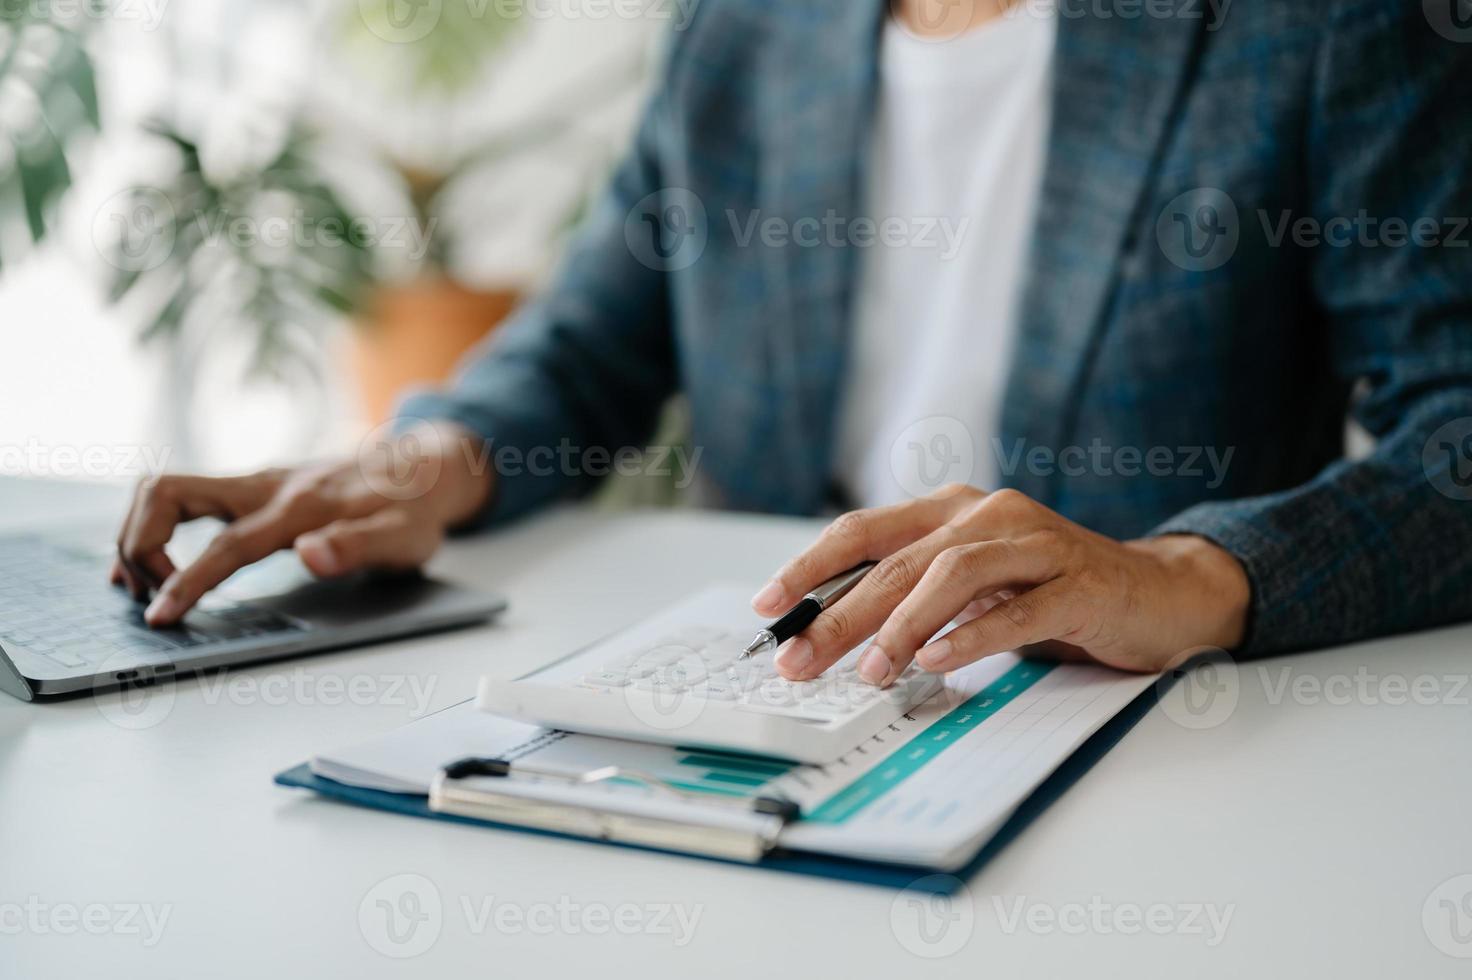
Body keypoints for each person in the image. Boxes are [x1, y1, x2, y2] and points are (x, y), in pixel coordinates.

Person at [113, 0, 1472, 689]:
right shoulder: (747, 26)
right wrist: (427, 460)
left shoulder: (1321, 25)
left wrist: (1195, 569)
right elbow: (590, 343)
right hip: (770, 679)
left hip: (1112, 716)